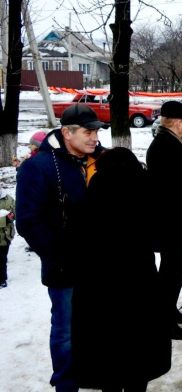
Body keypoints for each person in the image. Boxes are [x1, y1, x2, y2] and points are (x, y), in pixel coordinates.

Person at [16, 103, 106, 392]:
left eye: (96, 131)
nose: (94, 137)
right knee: (66, 330)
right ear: (66, 133)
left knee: (96, 325)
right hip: (64, 266)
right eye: (88, 132)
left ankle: (92, 373)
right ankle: (66, 385)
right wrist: (58, 255)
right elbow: (28, 222)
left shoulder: (101, 161)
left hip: (99, 264)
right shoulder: (40, 167)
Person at [72, 148, 171, 392]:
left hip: (101, 279)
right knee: (139, 344)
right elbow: (158, 234)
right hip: (139, 277)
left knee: (108, 345)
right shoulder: (144, 184)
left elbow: (82, 230)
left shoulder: (97, 185)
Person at [146, 101, 182, 341]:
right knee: (171, 271)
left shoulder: (170, 143)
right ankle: (164, 320)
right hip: (171, 222)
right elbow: (171, 187)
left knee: (175, 269)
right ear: (177, 123)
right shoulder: (164, 146)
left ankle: (169, 311)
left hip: (176, 220)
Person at [0, 189, 13, 288]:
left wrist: (11, 217)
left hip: (5, 236)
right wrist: (4, 219)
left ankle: (2, 279)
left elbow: (17, 213)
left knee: (2, 258)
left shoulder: (9, 199)